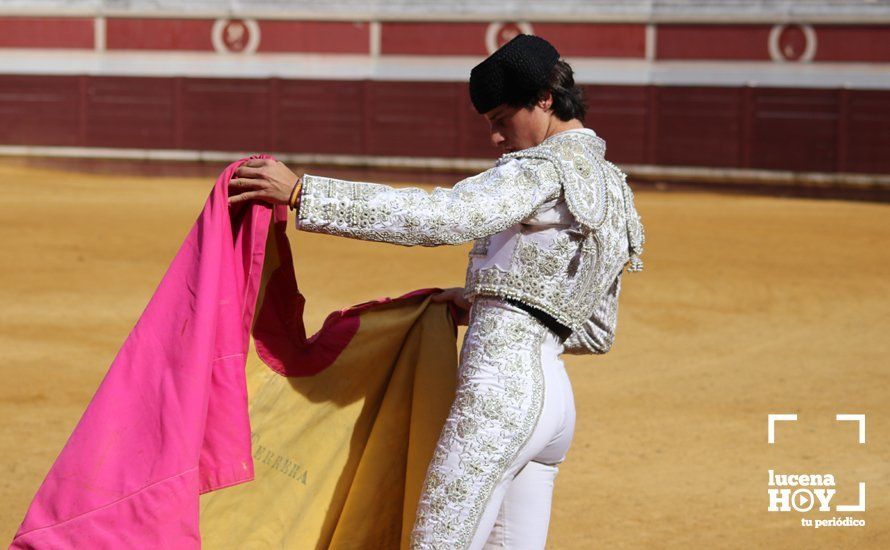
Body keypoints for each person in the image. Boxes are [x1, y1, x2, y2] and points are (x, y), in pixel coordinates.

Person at [228, 34, 644, 550]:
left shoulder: (540, 170)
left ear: (544, 98)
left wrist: (303, 193)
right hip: (554, 404)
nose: (496, 138)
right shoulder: (614, 188)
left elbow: (442, 217)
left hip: (499, 394)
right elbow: (596, 330)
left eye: (500, 119)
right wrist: (492, 299)